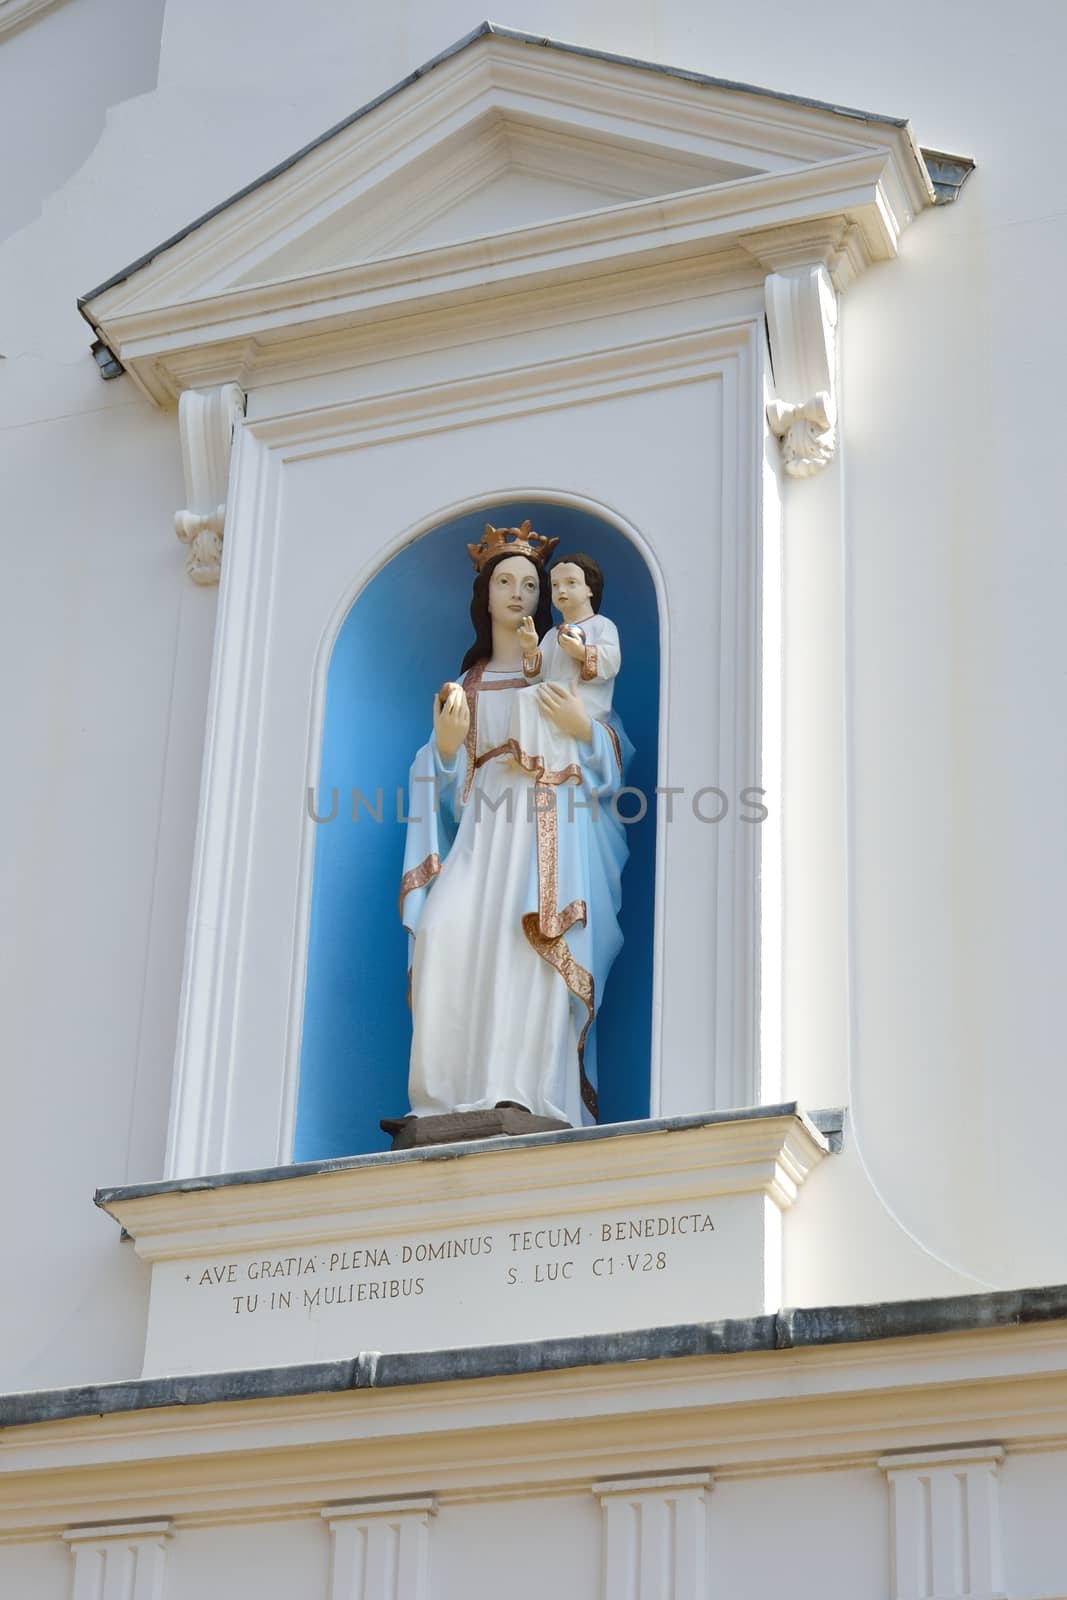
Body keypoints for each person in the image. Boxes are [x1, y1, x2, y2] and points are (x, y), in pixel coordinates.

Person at [398, 522, 631, 1128]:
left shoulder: (563, 665)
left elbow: (611, 760)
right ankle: (445, 1100)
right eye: (505, 581)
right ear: (485, 594)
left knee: (531, 947)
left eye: (531, 584)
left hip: (550, 829)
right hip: (483, 833)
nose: (519, 593)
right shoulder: (469, 686)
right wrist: (446, 749)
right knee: (443, 934)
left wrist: (583, 729)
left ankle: (525, 1093)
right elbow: (449, 795)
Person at [506, 553, 621, 783]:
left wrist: (580, 652)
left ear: (590, 589)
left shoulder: (601, 625)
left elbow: (611, 661)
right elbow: (534, 677)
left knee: (529, 697)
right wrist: (530, 649)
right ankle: (526, 755)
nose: (561, 591)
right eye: (555, 585)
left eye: (571, 583)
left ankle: (528, 756)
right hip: (552, 695)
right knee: (524, 696)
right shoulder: (551, 634)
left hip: (582, 702)